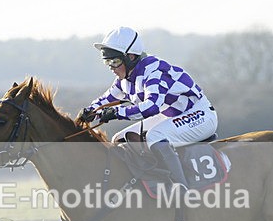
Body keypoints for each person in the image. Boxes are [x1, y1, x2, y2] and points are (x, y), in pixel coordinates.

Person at [78, 26, 217, 188]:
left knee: (154, 137)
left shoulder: (154, 71)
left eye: (115, 61)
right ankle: (149, 181)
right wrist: (91, 112)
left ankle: (182, 188)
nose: (111, 67)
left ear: (130, 57)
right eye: (107, 62)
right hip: (172, 115)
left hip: (200, 115)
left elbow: (151, 107)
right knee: (118, 139)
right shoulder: (125, 78)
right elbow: (106, 99)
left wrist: (116, 113)